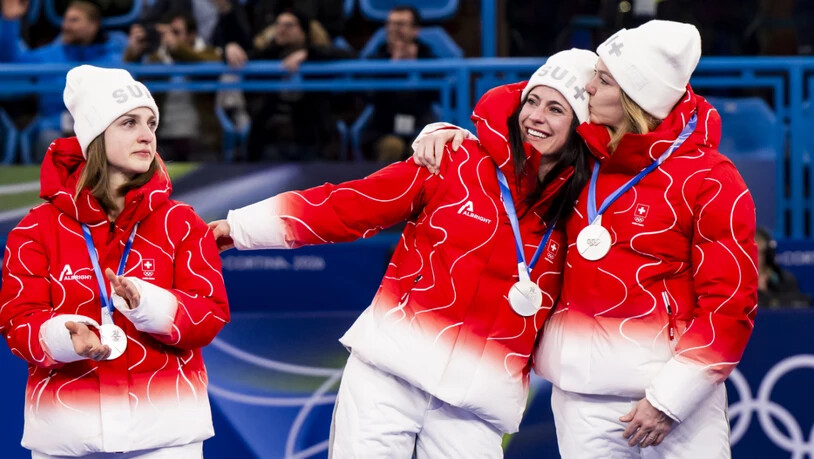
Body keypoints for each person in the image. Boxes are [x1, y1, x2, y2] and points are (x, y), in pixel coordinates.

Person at [208, 49, 597, 457]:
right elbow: (350, 204)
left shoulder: (582, 210)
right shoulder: (456, 160)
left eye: (556, 109)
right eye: (532, 101)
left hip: (477, 403)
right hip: (388, 373)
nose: (536, 116)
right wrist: (241, 228)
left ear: (580, 127)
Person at [413, 20, 757, 458]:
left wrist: (671, 400)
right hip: (581, 402)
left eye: (604, 79)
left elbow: (730, 305)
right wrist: (449, 135)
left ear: (636, 98)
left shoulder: (711, 179)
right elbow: (519, 118)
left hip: (677, 405)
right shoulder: (576, 160)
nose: (588, 88)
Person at [0, 65, 230, 458]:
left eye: (151, 123)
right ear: (94, 136)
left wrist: (148, 305)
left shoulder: (181, 222)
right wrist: (63, 337)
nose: (146, 135)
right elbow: (17, 322)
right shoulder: (35, 229)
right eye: (128, 122)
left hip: (166, 436)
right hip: (68, 438)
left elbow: (210, 314)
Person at [0, 0, 126, 158]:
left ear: (93, 25)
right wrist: (10, 20)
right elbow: (11, 65)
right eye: (65, 20)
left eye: (74, 20)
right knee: (49, 139)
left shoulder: (113, 59)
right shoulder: (49, 55)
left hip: (100, 128)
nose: (66, 26)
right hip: (54, 127)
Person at [756, 226, 811, 308]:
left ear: (769, 255)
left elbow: (802, 302)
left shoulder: (783, 279)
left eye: (760, 252)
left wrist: (765, 294)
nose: (756, 257)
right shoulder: (737, 283)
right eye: (752, 252)